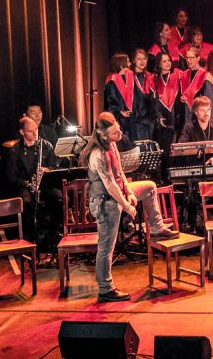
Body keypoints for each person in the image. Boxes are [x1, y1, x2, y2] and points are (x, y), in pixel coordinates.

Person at [81, 112, 178, 302]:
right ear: (103, 135)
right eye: (115, 133)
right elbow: (110, 185)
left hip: (117, 193)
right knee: (106, 247)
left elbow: (120, 174)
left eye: (118, 130)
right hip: (105, 202)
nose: (120, 135)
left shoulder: (112, 145)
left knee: (149, 187)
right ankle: (105, 289)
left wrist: (131, 193)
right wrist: (126, 205)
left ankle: (157, 228)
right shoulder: (98, 154)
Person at [6, 116, 60, 244]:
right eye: (30, 131)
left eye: (36, 129)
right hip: (25, 185)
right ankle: (31, 237)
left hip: (44, 184)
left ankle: (53, 234)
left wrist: (47, 170)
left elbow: (54, 166)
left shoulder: (46, 146)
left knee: (59, 198)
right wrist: (27, 183)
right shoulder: (14, 150)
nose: (35, 133)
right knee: (26, 201)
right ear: (22, 132)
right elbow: (11, 176)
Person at [177, 96, 213, 164]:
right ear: (196, 112)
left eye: (208, 110)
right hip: (195, 166)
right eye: (202, 110)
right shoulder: (189, 128)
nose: (206, 113)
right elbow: (180, 148)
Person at [179, 46, 209, 124]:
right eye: (187, 58)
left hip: (200, 111)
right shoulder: (184, 74)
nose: (188, 61)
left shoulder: (205, 74)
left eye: (191, 58)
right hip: (186, 112)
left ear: (198, 58)